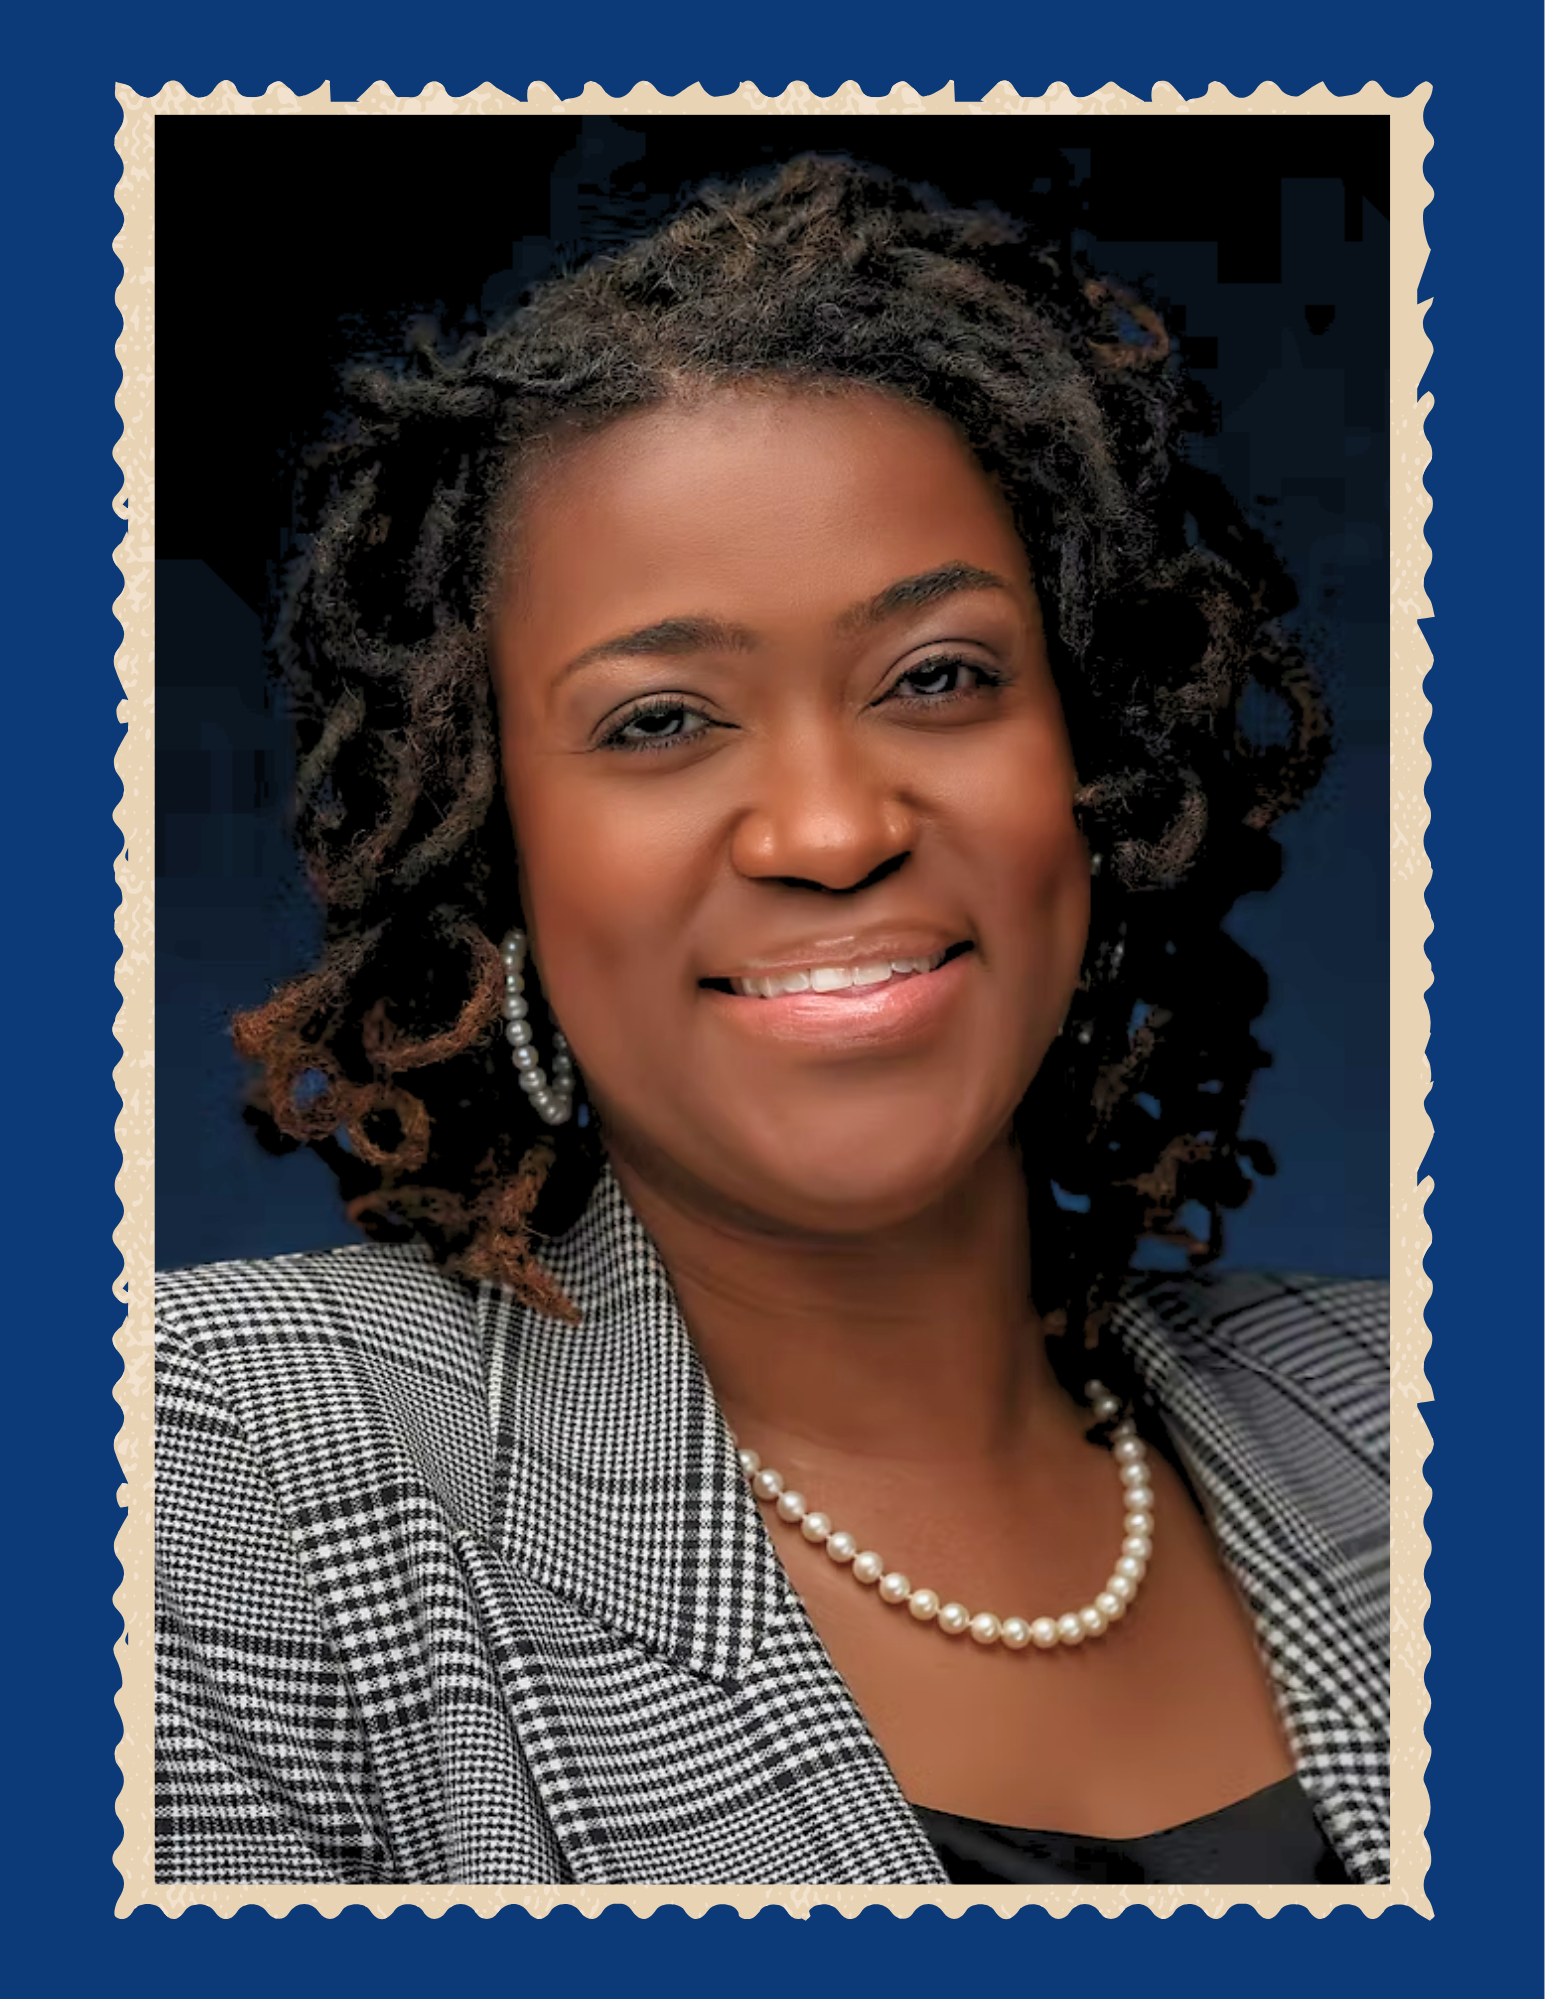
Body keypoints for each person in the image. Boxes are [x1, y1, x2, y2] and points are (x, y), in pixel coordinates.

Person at [153, 154, 1388, 1888]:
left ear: (1097, 767)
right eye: (661, 718)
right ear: (492, 853)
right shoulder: (218, 1473)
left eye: (939, 677)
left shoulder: (1416, 1411)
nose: (830, 828)